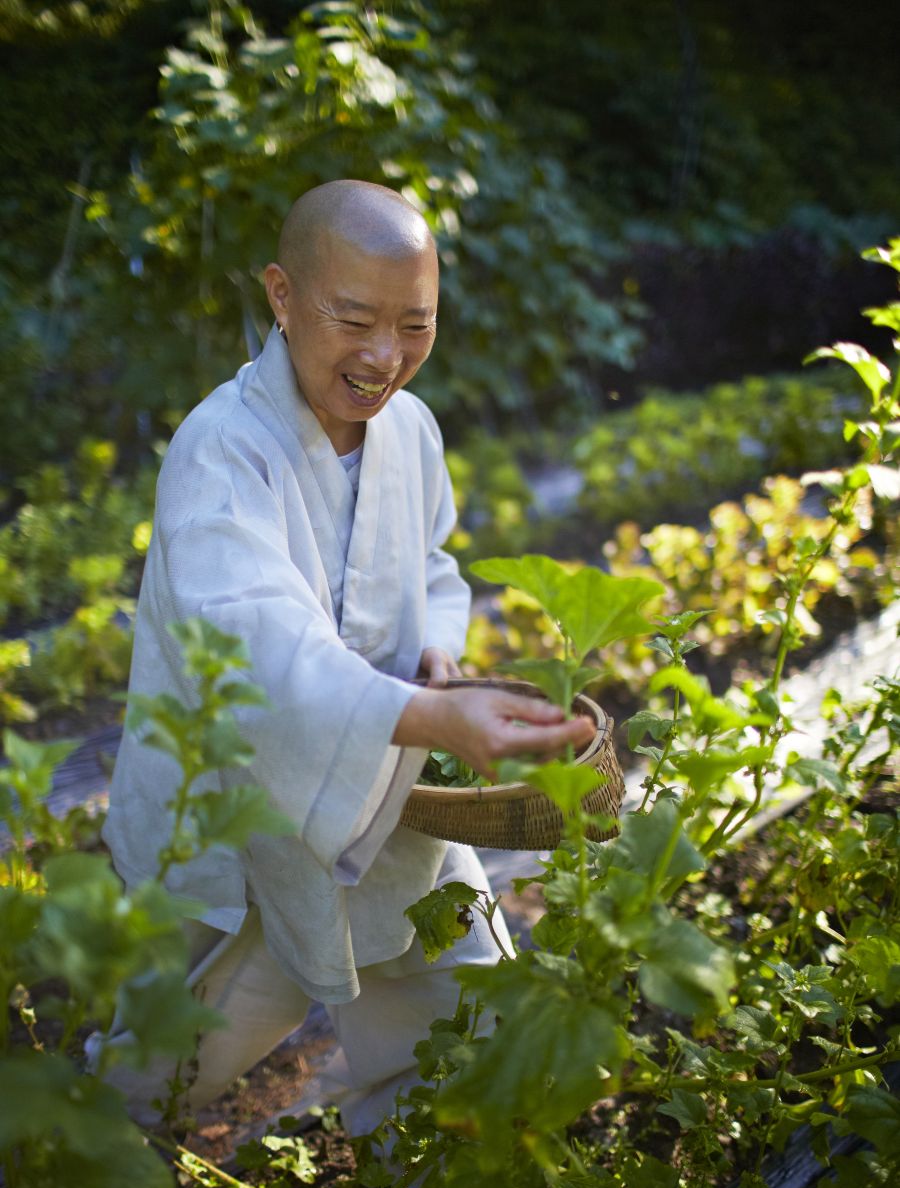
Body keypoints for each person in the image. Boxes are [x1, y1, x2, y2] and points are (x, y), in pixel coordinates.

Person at [94, 180, 593, 1138]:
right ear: (282, 296)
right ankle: (62, 1167)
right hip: (243, 809)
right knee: (169, 1062)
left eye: (416, 325)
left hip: (388, 792)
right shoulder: (222, 450)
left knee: (465, 1007)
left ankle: (428, 1176)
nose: (384, 356)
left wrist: (438, 652)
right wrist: (431, 717)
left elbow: (432, 564)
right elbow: (254, 641)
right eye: (354, 319)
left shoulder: (411, 431)